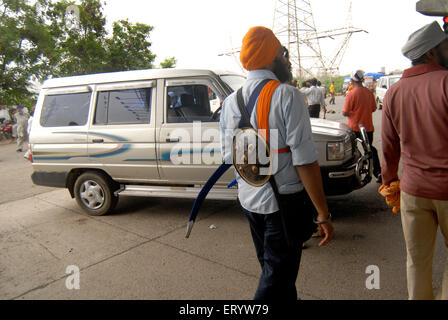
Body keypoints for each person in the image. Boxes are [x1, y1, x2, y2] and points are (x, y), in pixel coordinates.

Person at [220, 26, 333, 300]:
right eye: (283, 53)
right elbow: (305, 161)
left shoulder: (230, 101)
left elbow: (229, 156)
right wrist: (323, 213)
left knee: (278, 278)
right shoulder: (287, 95)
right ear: (272, 56)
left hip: (249, 202)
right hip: (282, 206)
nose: (287, 59)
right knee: (274, 282)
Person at [380, 21, 448, 300]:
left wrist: (390, 183)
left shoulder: (394, 92)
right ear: (432, 52)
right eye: (445, 46)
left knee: (416, 262)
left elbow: (388, 147)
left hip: (413, 192)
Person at [342, 70, 382, 183]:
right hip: (368, 127)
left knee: (354, 150)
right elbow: (374, 108)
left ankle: (359, 168)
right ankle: (377, 172)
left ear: (352, 80)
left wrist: (354, 112)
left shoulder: (351, 94)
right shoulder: (369, 93)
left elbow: (345, 112)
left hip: (354, 128)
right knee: (370, 149)